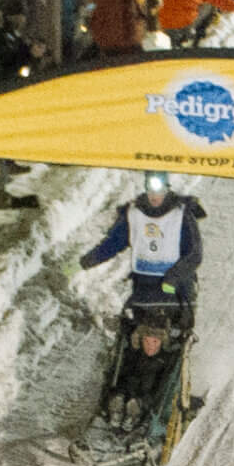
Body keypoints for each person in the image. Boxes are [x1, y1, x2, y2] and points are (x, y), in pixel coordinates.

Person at [79, 172, 204, 307]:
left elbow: (194, 253)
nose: (154, 196)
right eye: (150, 190)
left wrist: (173, 278)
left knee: (177, 322)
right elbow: (113, 243)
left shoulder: (181, 214)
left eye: (159, 191)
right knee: (131, 322)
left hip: (177, 290)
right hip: (144, 288)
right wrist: (85, 262)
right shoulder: (134, 213)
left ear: (167, 189)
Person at [105, 314, 171, 429]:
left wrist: (141, 402)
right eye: (147, 341)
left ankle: (133, 419)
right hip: (127, 392)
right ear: (141, 340)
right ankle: (116, 415)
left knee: (133, 406)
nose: (150, 346)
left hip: (144, 401)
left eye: (155, 342)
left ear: (162, 342)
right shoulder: (133, 355)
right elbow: (122, 377)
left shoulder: (164, 362)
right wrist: (119, 395)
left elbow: (159, 391)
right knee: (117, 400)